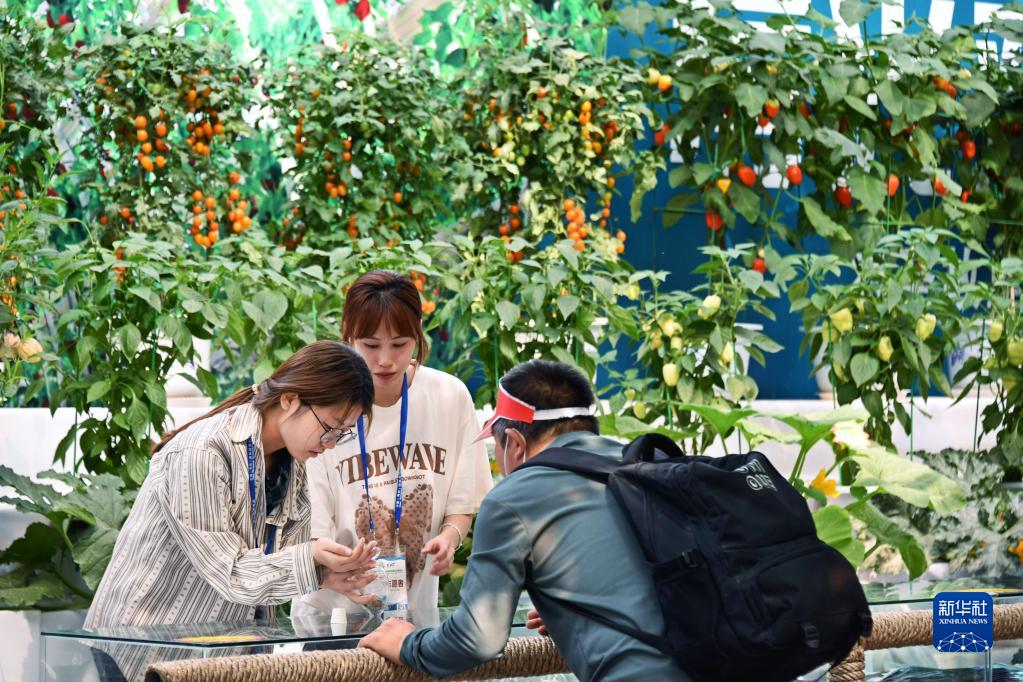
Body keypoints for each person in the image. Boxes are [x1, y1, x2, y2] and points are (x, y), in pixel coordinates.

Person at [358, 359, 690, 681]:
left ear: (515, 444)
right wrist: (575, 608)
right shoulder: (652, 465)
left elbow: (477, 639)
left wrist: (407, 643)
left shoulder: (512, 498)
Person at [85, 341, 381, 680]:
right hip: (140, 646)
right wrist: (310, 555)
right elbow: (230, 573)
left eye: (342, 434)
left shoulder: (293, 463)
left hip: (212, 653)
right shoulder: (202, 452)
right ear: (290, 399)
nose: (330, 444)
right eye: (329, 427)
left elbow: (271, 569)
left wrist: (325, 574)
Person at [295, 270, 492, 619]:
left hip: (414, 617)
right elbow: (313, 533)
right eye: (371, 345)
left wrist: (449, 539)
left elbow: (462, 502)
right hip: (333, 617)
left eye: (399, 344)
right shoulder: (324, 407)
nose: (385, 359)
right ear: (348, 336)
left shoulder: (449, 396)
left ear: (417, 334)